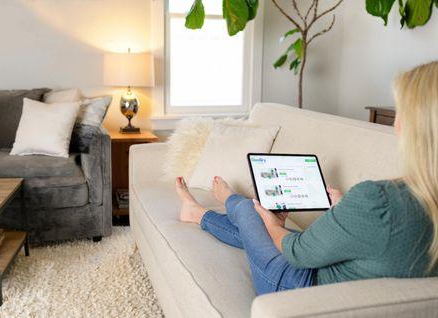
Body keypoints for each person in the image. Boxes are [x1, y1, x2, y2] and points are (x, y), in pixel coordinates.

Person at [175, 61, 438, 295]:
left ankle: (218, 202)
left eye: (400, 111)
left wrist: (271, 224)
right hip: (342, 276)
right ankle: (197, 212)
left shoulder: (378, 201)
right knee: (256, 223)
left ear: (412, 125)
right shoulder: (392, 204)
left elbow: (297, 252)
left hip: (297, 289)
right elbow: (383, 245)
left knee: (248, 210)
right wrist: (344, 211)